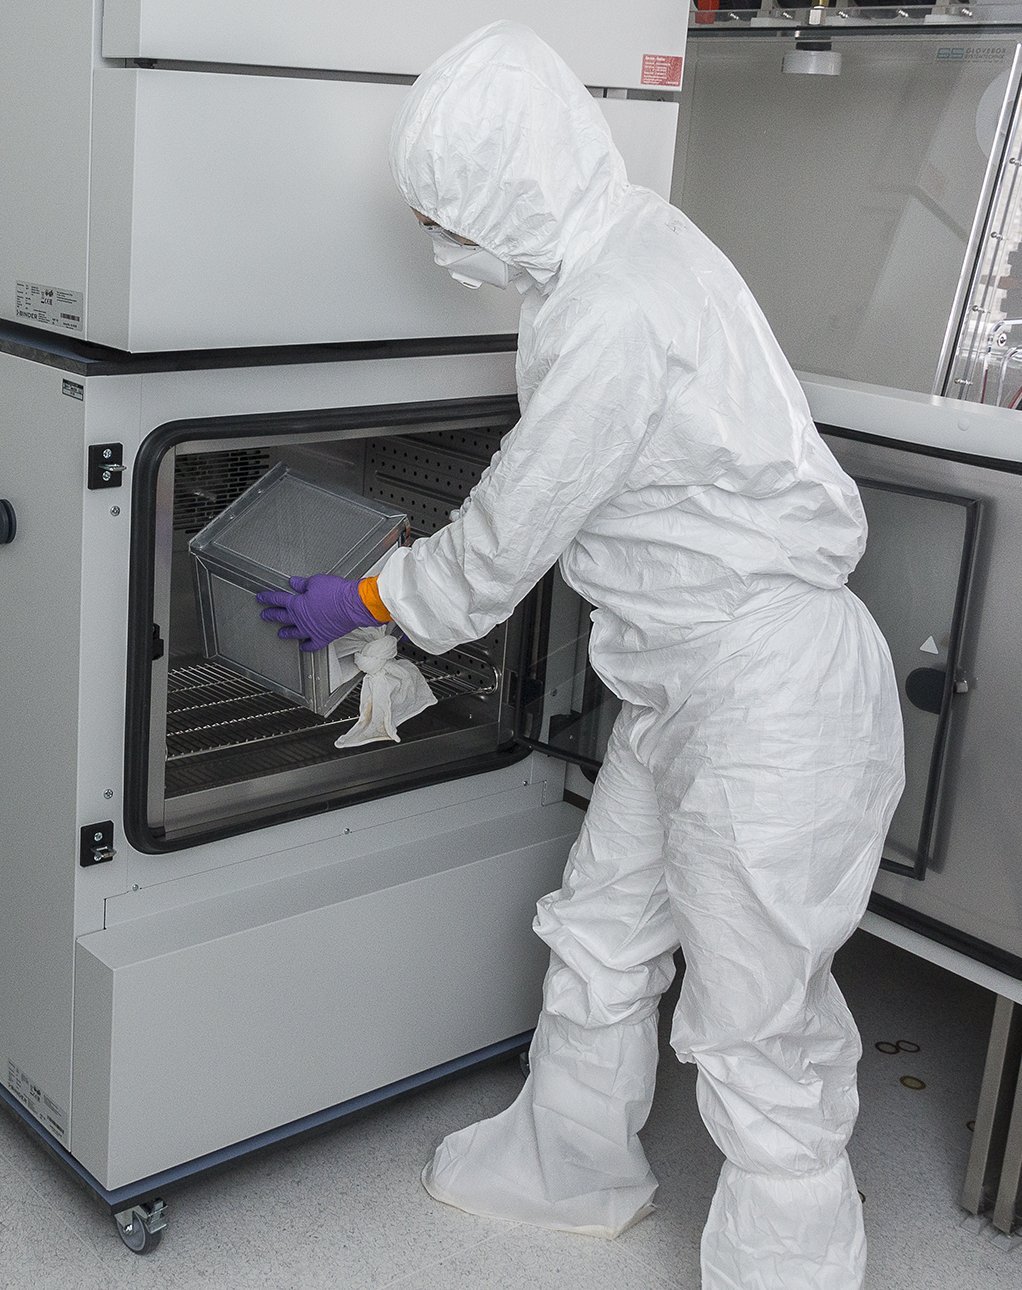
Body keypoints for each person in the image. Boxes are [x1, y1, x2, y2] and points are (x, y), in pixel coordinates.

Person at [256, 21, 905, 1289]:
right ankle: (569, 1168)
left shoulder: (617, 300)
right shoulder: (608, 250)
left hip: (770, 692)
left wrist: (373, 599)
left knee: (754, 1025)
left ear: (517, 183)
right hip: (681, 682)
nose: (446, 247)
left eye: (453, 217)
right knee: (605, 930)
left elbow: (510, 530)